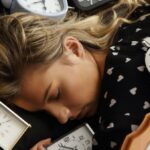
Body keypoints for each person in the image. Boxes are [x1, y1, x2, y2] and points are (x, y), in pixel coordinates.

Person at [0, 0, 150, 149]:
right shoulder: (134, 21)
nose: (62, 117)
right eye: (44, 112)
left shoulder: (118, 126)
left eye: (56, 94)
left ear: (73, 49)